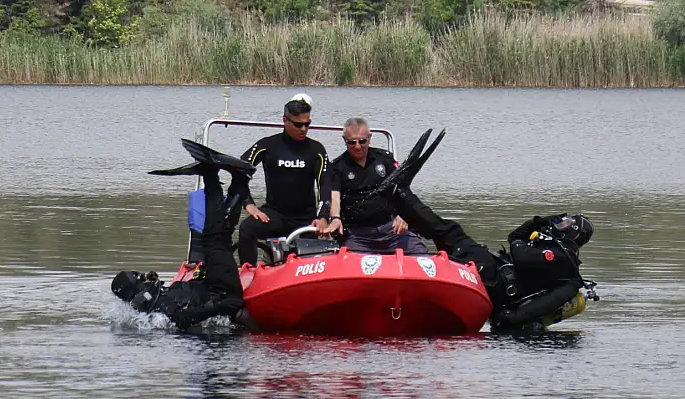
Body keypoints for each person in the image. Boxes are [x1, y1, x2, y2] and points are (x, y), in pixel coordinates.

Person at [367, 128, 597, 331]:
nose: (560, 224)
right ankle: (399, 197)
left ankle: (399, 194)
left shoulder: (563, 263)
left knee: (449, 232)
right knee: (447, 233)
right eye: (562, 220)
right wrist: (539, 221)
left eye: (566, 223)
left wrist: (506, 318)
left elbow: (520, 255)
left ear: (573, 234)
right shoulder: (553, 245)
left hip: (492, 281)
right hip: (491, 269)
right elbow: (514, 236)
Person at [111, 139, 258, 331]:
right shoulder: (155, 304)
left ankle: (237, 179)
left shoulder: (153, 300)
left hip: (214, 285)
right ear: (134, 289)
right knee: (213, 238)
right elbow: (181, 318)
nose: (145, 275)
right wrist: (219, 306)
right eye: (138, 277)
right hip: (223, 293)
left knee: (219, 236)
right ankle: (212, 174)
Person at [237, 94, 331, 266]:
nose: (303, 129)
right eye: (298, 124)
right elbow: (238, 170)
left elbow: (325, 184)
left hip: (307, 218)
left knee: (339, 231)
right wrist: (248, 203)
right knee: (246, 229)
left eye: (307, 124)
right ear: (285, 120)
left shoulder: (317, 150)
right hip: (276, 215)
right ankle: (248, 275)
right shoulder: (267, 145)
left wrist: (323, 217)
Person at [323, 117, 427, 254]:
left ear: (370, 138)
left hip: (391, 228)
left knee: (420, 255)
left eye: (362, 141)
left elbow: (402, 188)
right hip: (358, 234)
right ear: (344, 140)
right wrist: (335, 218)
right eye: (351, 142)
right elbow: (334, 196)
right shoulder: (337, 167)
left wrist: (404, 214)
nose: (357, 146)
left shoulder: (385, 159)